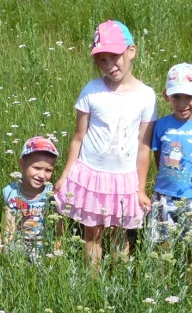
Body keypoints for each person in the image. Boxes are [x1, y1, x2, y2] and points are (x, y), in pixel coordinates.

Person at [55, 20, 157, 267]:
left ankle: (118, 284)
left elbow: (144, 147)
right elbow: (79, 137)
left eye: (115, 56)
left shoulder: (146, 95)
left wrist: (140, 188)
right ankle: (93, 286)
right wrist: (65, 174)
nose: (110, 65)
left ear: (131, 51)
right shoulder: (92, 90)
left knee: (120, 234)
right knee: (93, 232)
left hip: (124, 177)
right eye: (102, 60)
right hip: (90, 174)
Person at [148, 63, 192, 249]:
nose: (182, 103)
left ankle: (190, 279)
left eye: (189, 96)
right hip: (163, 195)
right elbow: (158, 156)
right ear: (166, 96)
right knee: (162, 246)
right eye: (176, 96)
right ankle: (163, 279)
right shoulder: (160, 125)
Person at [0, 136, 63, 261]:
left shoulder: (52, 193)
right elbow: (9, 229)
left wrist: (57, 248)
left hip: (45, 244)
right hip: (20, 243)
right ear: (22, 164)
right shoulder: (12, 193)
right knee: (9, 252)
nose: (42, 175)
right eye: (37, 168)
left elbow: (59, 231)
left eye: (48, 170)